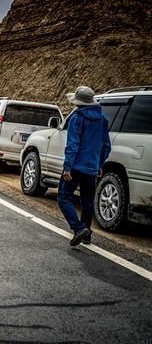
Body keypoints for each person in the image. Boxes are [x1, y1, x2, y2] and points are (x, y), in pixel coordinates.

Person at [58, 86, 111, 246]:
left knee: (63, 197)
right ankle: (87, 235)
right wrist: (99, 164)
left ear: (79, 102)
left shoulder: (77, 118)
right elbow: (106, 146)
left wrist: (67, 167)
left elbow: (73, 144)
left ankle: (78, 228)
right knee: (87, 201)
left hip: (75, 167)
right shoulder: (102, 120)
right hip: (92, 168)